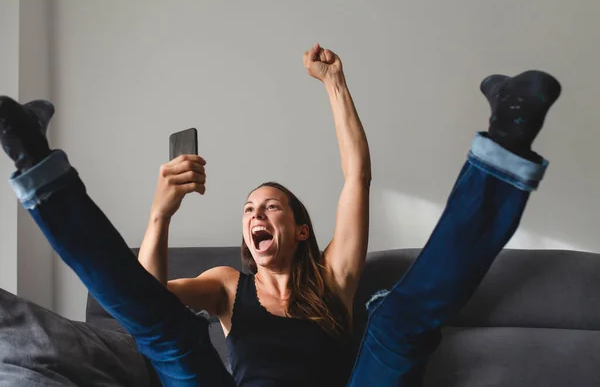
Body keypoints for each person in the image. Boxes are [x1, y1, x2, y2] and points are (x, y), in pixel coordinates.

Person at [0, 42, 561, 387]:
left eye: (271, 206)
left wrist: (335, 83)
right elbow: (143, 310)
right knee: (167, 335)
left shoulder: (334, 279)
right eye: (248, 209)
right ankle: (32, 155)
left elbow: (355, 177)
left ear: (301, 228)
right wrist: (160, 214)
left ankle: (508, 138)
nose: (255, 215)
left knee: (396, 323)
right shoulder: (225, 286)